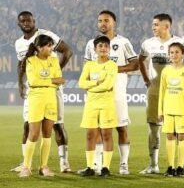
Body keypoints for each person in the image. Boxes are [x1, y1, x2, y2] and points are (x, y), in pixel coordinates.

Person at [139, 13, 184, 175]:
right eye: (153, 25)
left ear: (166, 26)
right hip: (155, 92)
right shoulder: (148, 43)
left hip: (177, 95)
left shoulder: (180, 43)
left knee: (181, 130)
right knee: (154, 128)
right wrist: (147, 80)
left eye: (156, 25)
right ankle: (153, 164)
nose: (153, 27)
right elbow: (140, 60)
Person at [14, 11, 73, 173]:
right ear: (19, 24)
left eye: (29, 20)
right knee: (28, 125)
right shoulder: (19, 43)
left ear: (34, 21)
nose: (26, 23)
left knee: (57, 125)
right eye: (23, 21)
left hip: (52, 92)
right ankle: (26, 163)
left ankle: (64, 163)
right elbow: (21, 65)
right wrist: (20, 83)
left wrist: (55, 72)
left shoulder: (46, 35)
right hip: (33, 91)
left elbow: (67, 51)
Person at [84, 10, 138, 175]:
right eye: (100, 21)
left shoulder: (123, 42)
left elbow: (135, 64)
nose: (102, 24)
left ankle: (123, 164)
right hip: (97, 95)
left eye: (106, 20)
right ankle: (99, 164)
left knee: (121, 128)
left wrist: (113, 69)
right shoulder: (91, 44)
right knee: (99, 129)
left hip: (118, 94)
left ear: (114, 23)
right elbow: (87, 67)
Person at [18, 34, 66, 177]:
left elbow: (61, 79)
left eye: (52, 45)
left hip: (51, 98)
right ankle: (26, 166)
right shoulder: (30, 61)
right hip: (36, 99)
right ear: (39, 47)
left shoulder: (54, 60)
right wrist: (52, 80)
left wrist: (47, 80)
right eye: (49, 45)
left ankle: (43, 167)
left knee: (47, 134)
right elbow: (33, 81)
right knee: (33, 134)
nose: (51, 48)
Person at [77, 36, 118, 178]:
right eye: (100, 46)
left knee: (107, 134)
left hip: (106, 103)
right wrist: (96, 83)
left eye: (106, 46)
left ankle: (105, 167)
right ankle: (90, 167)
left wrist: (91, 85)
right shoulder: (89, 65)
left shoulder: (112, 65)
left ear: (109, 49)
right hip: (91, 104)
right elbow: (81, 83)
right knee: (90, 135)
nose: (103, 48)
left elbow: (108, 85)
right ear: (95, 49)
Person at [158, 42, 184, 178]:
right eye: (171, 52)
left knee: (182, 137)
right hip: (168, 109)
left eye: (177, 52)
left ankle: (180, 166)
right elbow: (162, 91)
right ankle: (170, 167)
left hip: (183, 110)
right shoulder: (166, 70)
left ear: (183, 54)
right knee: (169, 136)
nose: (174, 55)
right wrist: (160, 111)